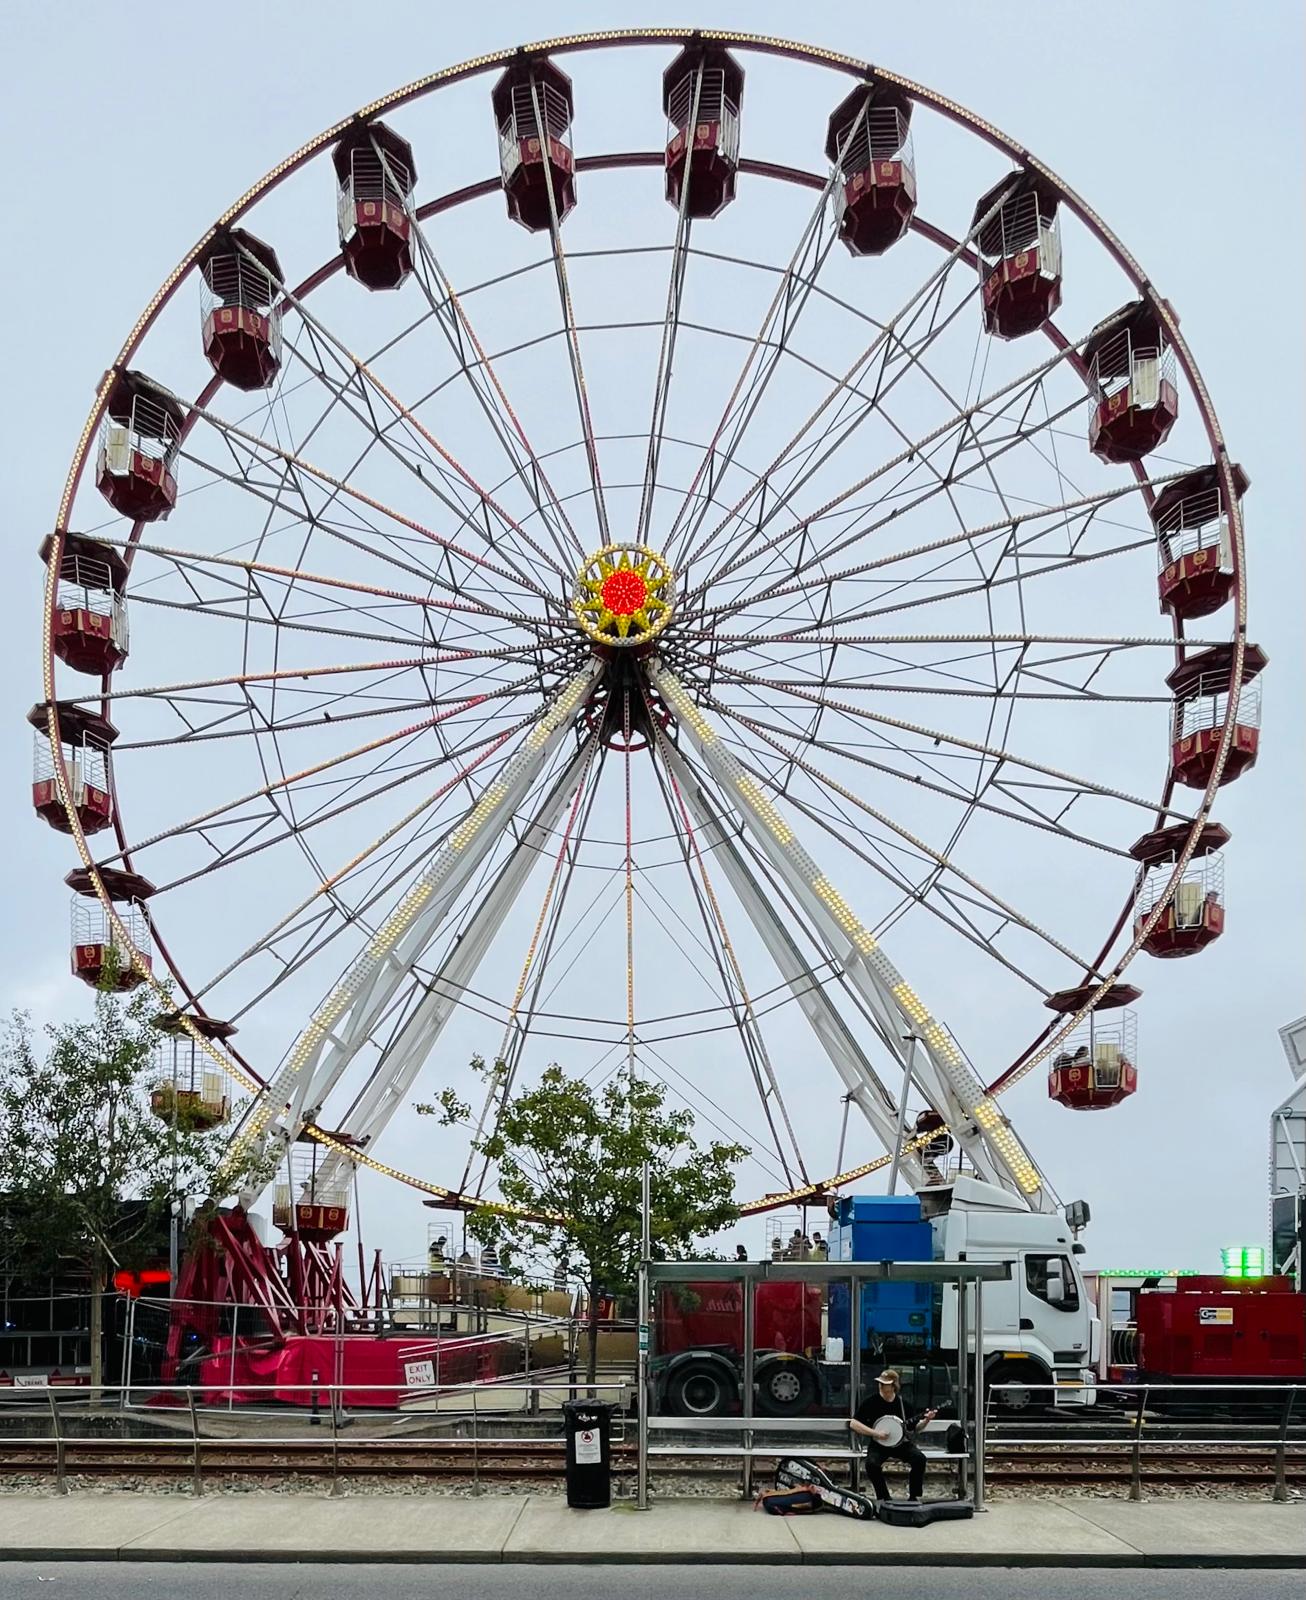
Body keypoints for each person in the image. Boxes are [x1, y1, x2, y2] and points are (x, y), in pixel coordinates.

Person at [847, 1368, 937, 1502]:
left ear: (894, 1385)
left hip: (901, 1444)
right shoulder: (871, 1402)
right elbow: (853, 1423)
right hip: (879, 1444)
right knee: (871, 1465)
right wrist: (875, 1433)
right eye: (880, 1383)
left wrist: (927, 1420)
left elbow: (916, 1428)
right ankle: (884, 1497)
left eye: (885, 1383)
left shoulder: (903, 1405)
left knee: (919, 1459)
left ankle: (914, 1496)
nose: (881, 1386)